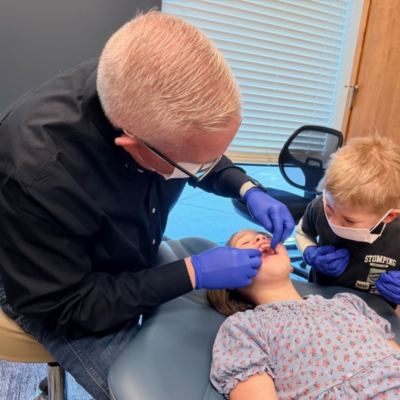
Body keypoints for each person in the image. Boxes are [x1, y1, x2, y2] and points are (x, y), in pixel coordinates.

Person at [0, 11, 294, 399]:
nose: (207, 169)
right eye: (195, 166)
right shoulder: (37, 175)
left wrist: (245, 188)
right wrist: (190, 273)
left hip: (122, 242)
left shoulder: (141, 88)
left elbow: (196, 148)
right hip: (55, 288)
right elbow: (65, 306)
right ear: (131, 143)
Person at [208, 228, 400, 399]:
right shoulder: (243, 327)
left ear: (291, 265)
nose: (260, 237)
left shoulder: (348, 302)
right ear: (231, 278)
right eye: (245, 242)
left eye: (266, 236)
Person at [294, 136, 400, 308]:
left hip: (373, 311)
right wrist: (310, 253)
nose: (333, 222)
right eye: (330, 209)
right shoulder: (319, 206)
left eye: (349, 220)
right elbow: (303, 233)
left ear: (389, 216)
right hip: (320, 300)